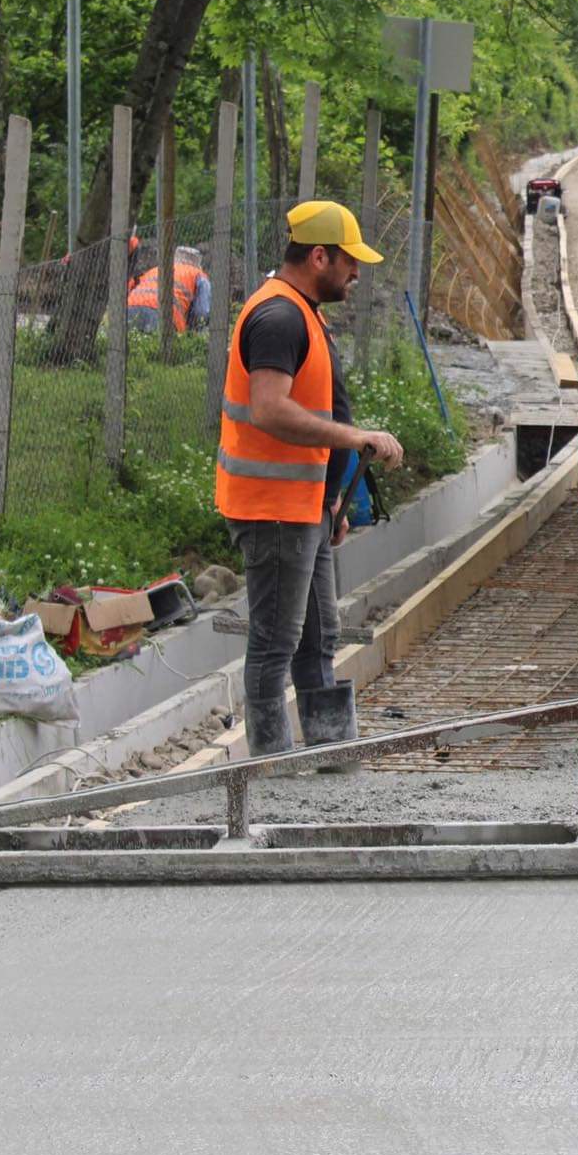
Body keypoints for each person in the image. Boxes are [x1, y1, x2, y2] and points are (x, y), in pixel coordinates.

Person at [216, 201, 403, 757]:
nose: (356, 272)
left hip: (304, 509)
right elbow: (270, 410)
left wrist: (332, 505)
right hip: (272, 509)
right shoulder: (278, 318)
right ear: (318, 255)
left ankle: (330, 757)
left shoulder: (302, 311)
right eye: (348, 261)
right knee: (275, 644)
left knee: (317, 639)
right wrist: (354, 438)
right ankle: (269, 771)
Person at [125, 245, 210, 333]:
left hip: (131, 307)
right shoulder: (198, 275)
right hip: (164, 312)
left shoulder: (155, 270)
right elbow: (202, 311)